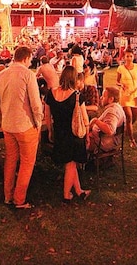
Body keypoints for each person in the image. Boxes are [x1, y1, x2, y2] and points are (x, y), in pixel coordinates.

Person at [0, 45, 43, 209]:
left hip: (7, 124)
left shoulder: (1, 74)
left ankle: (8, 196)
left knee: (11, 160)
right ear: (27, 58)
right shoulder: (28, 74)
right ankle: (19, 199)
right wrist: (39, 123)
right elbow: (36, 104)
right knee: (27, 162)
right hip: (25, 125)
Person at [44, 65, 91, 203]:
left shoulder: (51, 93)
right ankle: (66, 195)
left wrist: (51, 130)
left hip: (59, 131)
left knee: (70, 163)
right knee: (71, 164)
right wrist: (87, 134)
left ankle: (79, 191)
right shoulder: (77, 96)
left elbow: (47, 115)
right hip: (73, 134)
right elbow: (84, 118)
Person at [117, 48, 137, 148]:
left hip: (134, 94)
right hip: (125, 95)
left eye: (131, 56)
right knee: (129, 116)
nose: (129, 58)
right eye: (127, 56)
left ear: (133, 56)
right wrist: (121, 85)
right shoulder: (121, 68)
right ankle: (132, 140)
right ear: (124, 57)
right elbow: (117, 81)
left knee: (134, 118)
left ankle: (124, 128)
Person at [86, 86, 126, 154]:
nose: (101, 98)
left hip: (102, 143)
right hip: (102, 139)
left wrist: (95, 121)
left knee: (78, 143)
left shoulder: (112, 111)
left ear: (111, 99)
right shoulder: (116, 107)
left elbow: (110, 130)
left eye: (103, 96)